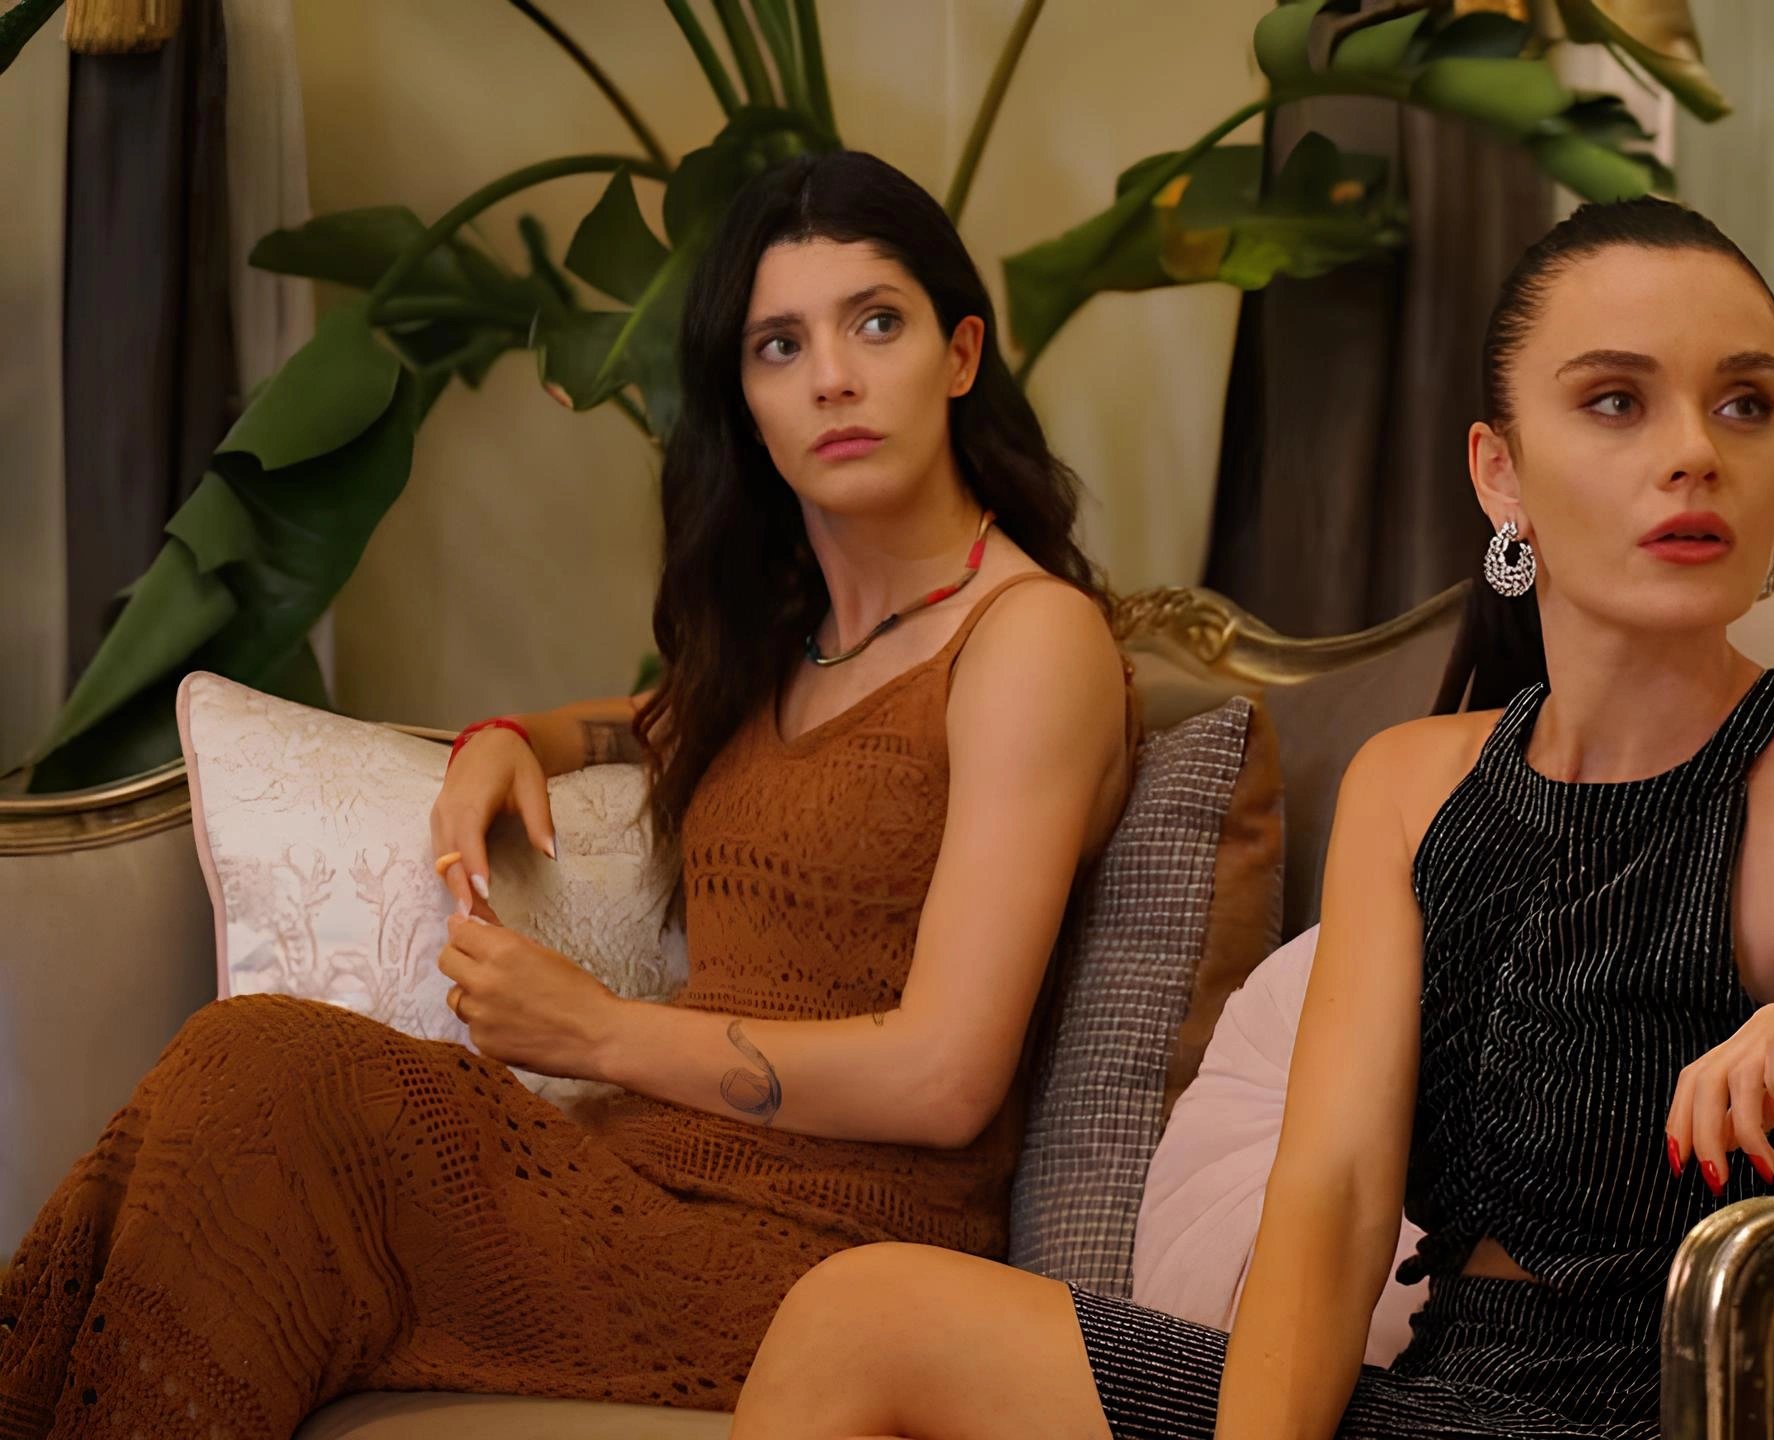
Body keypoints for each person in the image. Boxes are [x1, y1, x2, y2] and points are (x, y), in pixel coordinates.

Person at [725, 197, 1774, 1440]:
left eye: (1743, 403)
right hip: (1422, 1394)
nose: (1693, 453)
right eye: (1617, 402)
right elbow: (1333, 1201)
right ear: (1502, 474)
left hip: (1643, 1413)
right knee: (857, 1314)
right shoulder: (1416, 781)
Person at [0, 149, 1136, 1439]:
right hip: (644, 1179)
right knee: (236, 1083)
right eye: (779, 345)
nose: (833, 376)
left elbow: (945, 1076)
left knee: (268, 1080)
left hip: (824, 1266)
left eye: (876, 322)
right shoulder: (794, 644)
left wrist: (598, 1035)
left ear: (961, 353)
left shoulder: (1027, 641)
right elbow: (628, 725)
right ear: (746, 403)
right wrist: (506, 739)